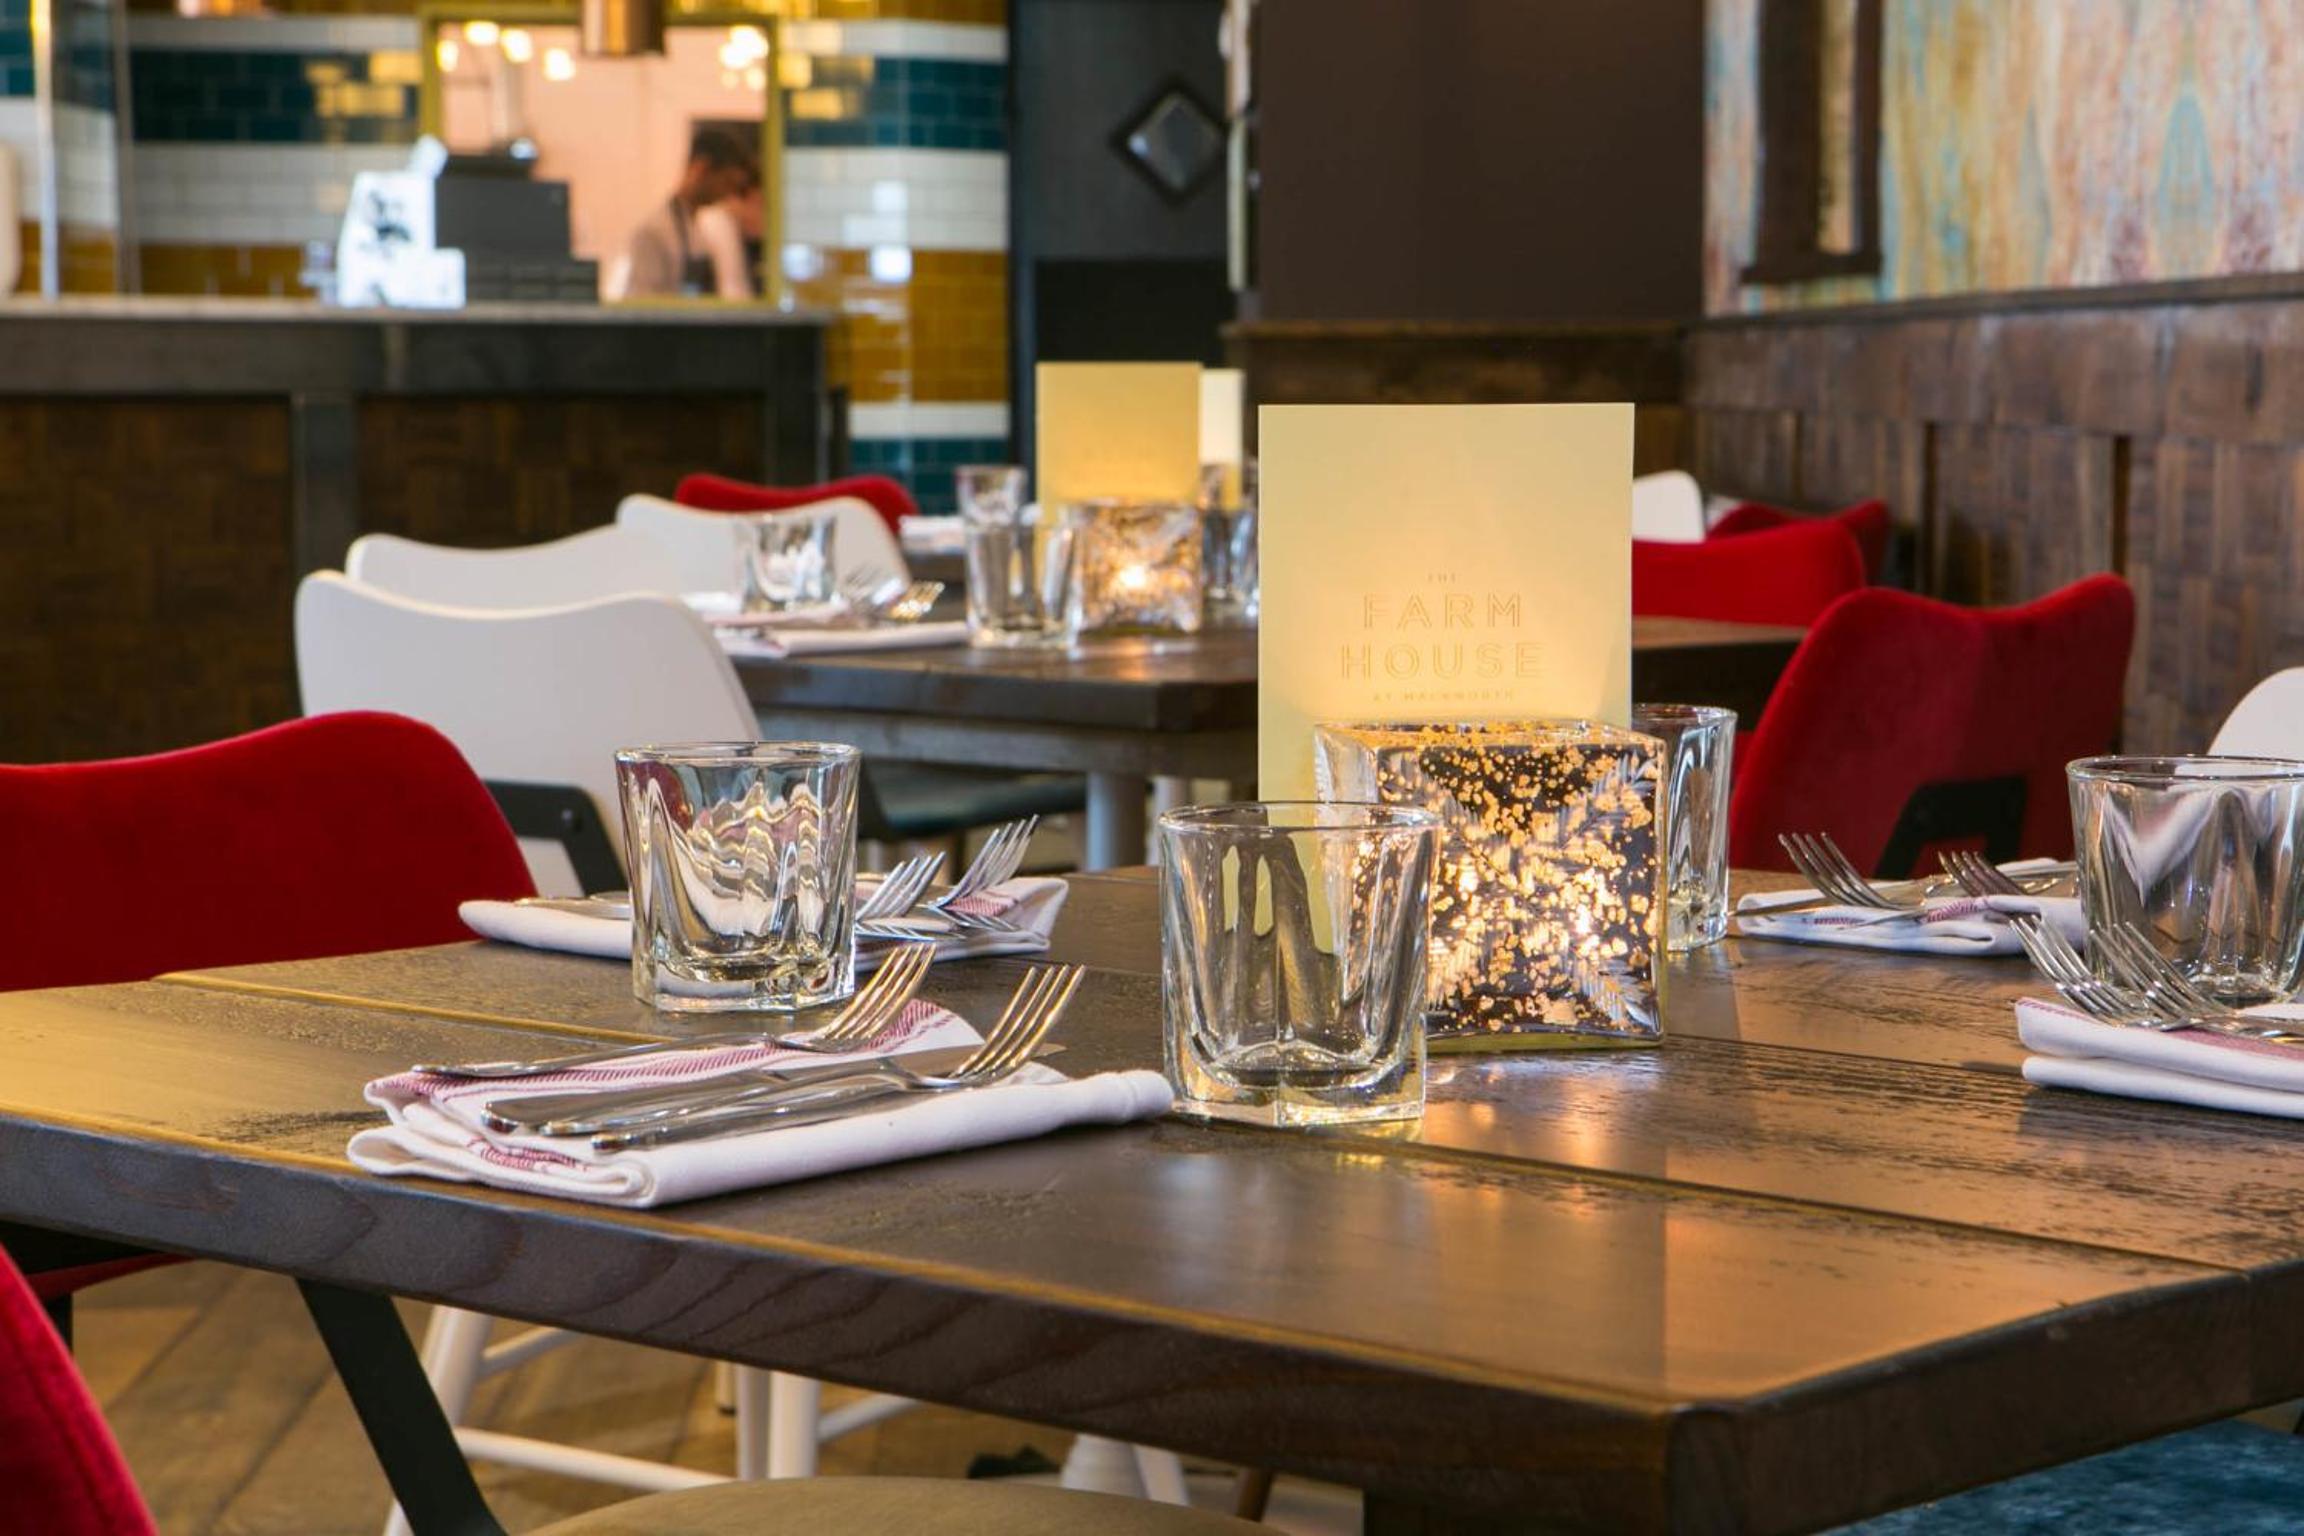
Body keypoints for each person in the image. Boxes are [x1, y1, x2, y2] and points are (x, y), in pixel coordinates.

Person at [612, 128, 755, 299]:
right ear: (701, 169)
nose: (726, 194)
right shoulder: (653, 232)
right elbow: (641, 304)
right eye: (726, 182)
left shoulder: (706, 227)